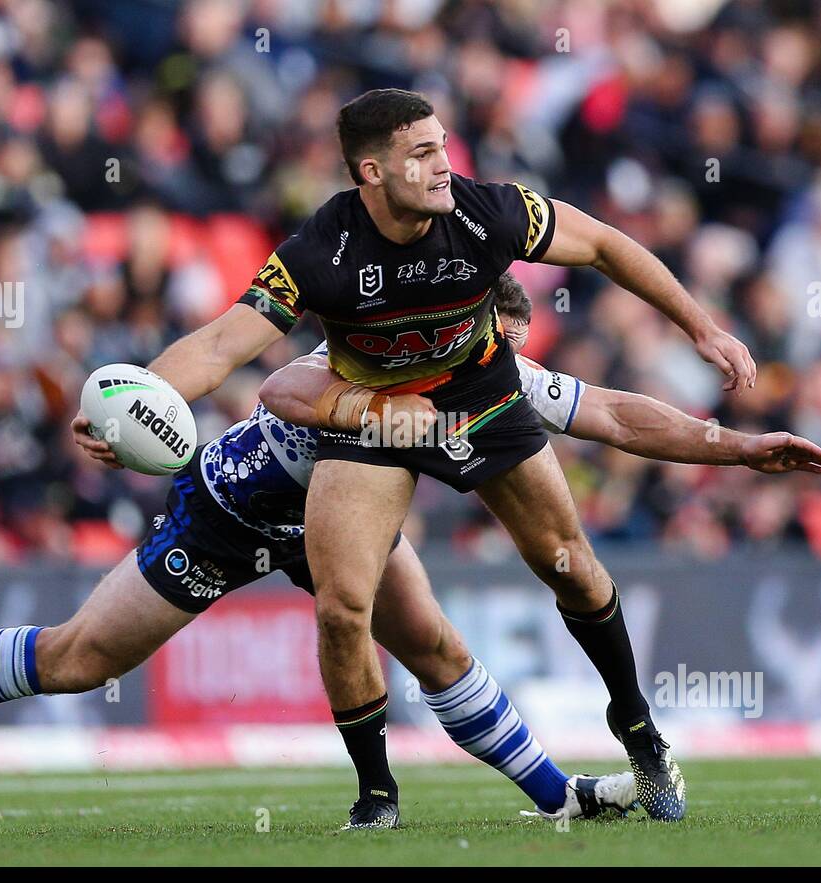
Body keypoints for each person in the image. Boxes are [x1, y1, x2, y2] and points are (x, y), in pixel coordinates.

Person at [102, 88, 759, 822]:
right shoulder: (322, 252)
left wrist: (702, 331)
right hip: (372, 420)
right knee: (343, 608)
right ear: (372, 172)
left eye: (443, 145)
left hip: (480, 398)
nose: (444, 164)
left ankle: (636, 726)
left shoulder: (486, 211)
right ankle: (377, 797)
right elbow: (227, 347)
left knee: (570, 566)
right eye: (422, 153)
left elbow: (605, 248)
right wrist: (136, 404)